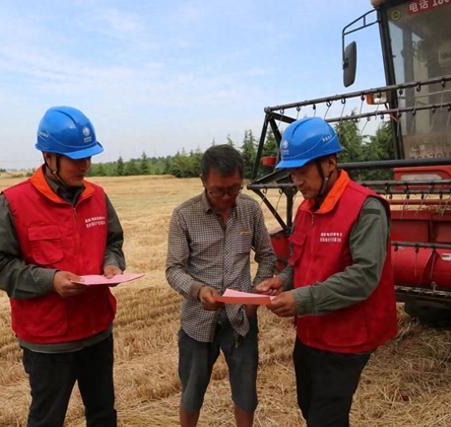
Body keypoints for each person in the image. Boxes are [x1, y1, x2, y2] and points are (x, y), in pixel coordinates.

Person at [0, 106, 125, 427]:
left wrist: (112, 263)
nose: (85, 165)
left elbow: (113, 242)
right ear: (49, 157)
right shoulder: (14, 202)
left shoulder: (98, 196)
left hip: (97, 330)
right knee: (47, 420)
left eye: (88, 157)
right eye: (76, 158)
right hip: (48, 340)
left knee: (103, 415)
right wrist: (51, 280)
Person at [256, 117, 397, 427]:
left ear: (330, 163)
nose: (297, 181)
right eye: (292, 173)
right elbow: (299, 262)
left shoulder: (365, 208)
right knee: (308, 406)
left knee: (325, 418)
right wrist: (283, 281)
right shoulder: (307, 208)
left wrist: (300, 299)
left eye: (302, 171)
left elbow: (363, 277)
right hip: (311, 331)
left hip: (348, 335)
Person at [166, 144, 276, 427]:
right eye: (219, 190)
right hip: (197, 321)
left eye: (234, 189)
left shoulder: (250, 210)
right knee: (191, 394)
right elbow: (174, 269)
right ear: (203, 181)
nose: (227, 197)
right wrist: (199, 291)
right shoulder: (184, 215)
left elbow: (267, 256)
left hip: (241, 320)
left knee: (246, 394)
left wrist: (254, 296)